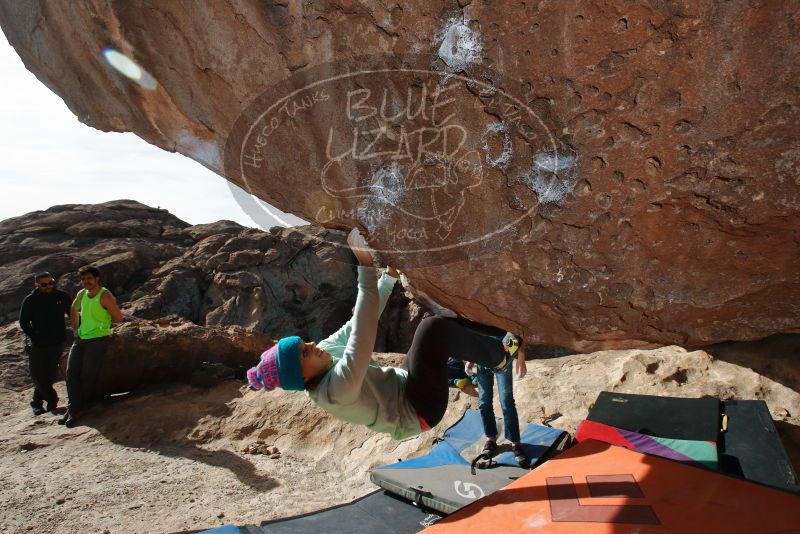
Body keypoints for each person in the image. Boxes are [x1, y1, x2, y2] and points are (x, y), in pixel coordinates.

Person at [247, 229, 522, 440]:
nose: (310, 344)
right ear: (303, 376)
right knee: (432, 330)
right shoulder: (336, 392)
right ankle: (499, 357)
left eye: (303, 343)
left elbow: (356, 323)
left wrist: (387, 278)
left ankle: (503, 335)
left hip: (403, 384)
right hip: (418, 412)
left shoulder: (325, 354)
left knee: (438, 325)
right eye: (304, 352)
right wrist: (365, 268)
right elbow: (362, 337)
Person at [59, 266, 123, 427]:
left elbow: (118, 318)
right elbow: (73, 309)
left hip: (98, 339)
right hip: (81, 338)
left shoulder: (105, 295)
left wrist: (104, 325)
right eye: (83, 279)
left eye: (89, 278)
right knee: (71, 372)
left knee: (88, 374)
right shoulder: (82, 294)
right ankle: (73, 407)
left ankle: (76, 409)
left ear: (97, 279)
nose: (86, 282)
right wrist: (76, 328)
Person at [18, 272, 71, 416]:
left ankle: (37, 403)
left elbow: (73, 313)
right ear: (37, 284)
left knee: (48, 374)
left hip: (57, 342)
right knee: (36, 374)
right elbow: (23, 322)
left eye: (51, 283)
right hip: (38, 344)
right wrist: (34, 337)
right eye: (44, 284)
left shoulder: (61, 296)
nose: (49, 286)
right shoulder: (30, 300)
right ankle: (52, 399)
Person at [467, 343, 527, 467]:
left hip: (503, 359)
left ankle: (515, 442)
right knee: (484, 402)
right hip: (482, 358)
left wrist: (521, 357)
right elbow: (472, 333)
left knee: (506, 401)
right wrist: (471, 358)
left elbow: (518, 331)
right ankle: (491, 439)